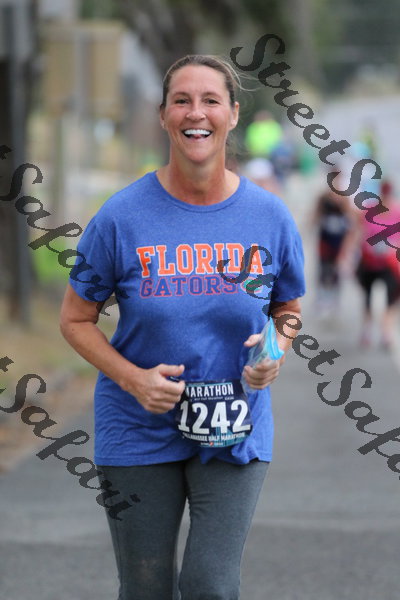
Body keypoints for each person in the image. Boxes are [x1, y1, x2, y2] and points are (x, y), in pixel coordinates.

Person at [60, 54, 305, 600]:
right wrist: (133, 379)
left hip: (234, 422)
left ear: (233, 114)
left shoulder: (268, 216)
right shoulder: (120, 217)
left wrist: (273, 349)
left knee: (210, 585)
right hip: (137, 424)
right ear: (164, 115)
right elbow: (75, 319)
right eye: (182, 100)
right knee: (145, 588)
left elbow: (287, 307)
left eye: (211, 100)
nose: (196, 113)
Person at [354, 180, 400, 349]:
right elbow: (358, 232)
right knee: (367, 297)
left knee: (391, 298)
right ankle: (367, 329)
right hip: (370, 261)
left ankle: (386, 332)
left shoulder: (397, 211)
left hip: (389, 263)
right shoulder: (369, 211)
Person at [313, 183, 355, 317]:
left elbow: (351, 224)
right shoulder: (323, 199)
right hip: (325, 242)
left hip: (339, 244)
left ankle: (334, 300)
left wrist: (347, 248)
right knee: (324, 270)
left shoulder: (344, 202)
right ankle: (322, 298)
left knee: (337, 272)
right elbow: (315, 217)